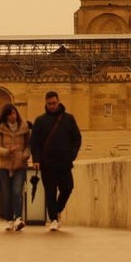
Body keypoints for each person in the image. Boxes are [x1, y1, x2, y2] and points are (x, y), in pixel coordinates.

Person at [29, 91, 82, 231]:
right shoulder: (40, 121)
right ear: (45, 104)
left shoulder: (68, 119)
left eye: (54, 103)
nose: (52, 106)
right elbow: (34, 142)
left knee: (68, 188)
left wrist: (72, 155)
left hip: (64, 162)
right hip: (47, 164)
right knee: (50, 191)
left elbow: (77, 138)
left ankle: (57, 210)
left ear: (58, 102)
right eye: (49, 104)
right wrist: (36, 159)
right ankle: (53, 219)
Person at [0, 104, 32, 231]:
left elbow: (29, 145)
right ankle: (9, 219)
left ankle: (18, 218)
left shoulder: (25, 128)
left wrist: (24, 156)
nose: (13, 116)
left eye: (14, 113)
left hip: (20, 164)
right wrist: (7, 151)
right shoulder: (0, 129)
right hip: (4, 166)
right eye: (10, 114)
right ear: (5, 115)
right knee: (7, 193)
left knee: (17, 192)